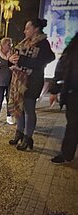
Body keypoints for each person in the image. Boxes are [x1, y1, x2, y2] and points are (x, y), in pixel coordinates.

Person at [8, 18, 55, 151]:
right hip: (18, 81)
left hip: (32, 81)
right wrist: (10, 60)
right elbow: (12, 60)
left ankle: (27, 138)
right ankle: (19, 132)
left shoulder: (43, 44)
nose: (25, 31)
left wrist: (21, 60)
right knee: (19, 108)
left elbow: (41, 62)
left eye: (28, 28)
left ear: (36, 29)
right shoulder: (24, 43)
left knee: (29, 109)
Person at [49, 33, 78, 164]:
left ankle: (67, 154)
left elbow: (61, 67)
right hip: (73, 93)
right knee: (73, 125)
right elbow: (61, 67)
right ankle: (67, 154)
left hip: (73, 93)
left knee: (73, 125)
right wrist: (54, 90)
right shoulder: (73, 48)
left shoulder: (72, 47)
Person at [0, 38, 15, 125]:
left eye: (10, 44)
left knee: (9, 99)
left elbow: (15, 65)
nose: (10, 46)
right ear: (3, 45)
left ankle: (9, 116)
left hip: (10, 79)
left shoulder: (12, 55)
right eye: (8, 44)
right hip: (0, 80)